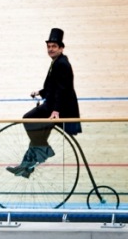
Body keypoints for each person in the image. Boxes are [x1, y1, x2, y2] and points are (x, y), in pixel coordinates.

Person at [6, 28, 82, 178]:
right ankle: (26, 167)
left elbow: (62, 90)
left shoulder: (62, 64)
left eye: (54, 46)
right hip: (54, 104)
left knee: (27, 119)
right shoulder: (57, 62)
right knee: (38, 136)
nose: (50, 49)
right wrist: (40, 92)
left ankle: (45, 150)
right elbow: (52, 87)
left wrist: (56, 111)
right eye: (49, 46)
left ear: (61, 48)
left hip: (57, 107)